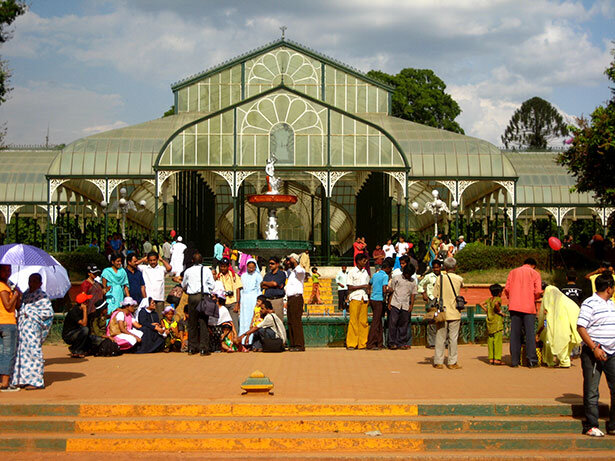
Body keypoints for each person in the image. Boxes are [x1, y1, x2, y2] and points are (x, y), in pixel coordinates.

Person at [577, 274, 615, 437]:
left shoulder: (611, 304)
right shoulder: (589, 303)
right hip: (594, 352)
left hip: (612, 352)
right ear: (609, 288)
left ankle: (613, 425)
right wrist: (594, 348)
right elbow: (581, 327)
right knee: (592, 390)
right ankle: (591, 425)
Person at [11, 274, 54, 390]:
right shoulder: (25, 294)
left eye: (35, 281)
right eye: (30, 281)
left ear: (40, 283)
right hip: (22, 328)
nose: (32, 283)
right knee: (20, 354)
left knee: (34, 352)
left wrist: (29, 311)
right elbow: (20, 307)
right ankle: (21, 379)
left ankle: (35, 381)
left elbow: (48, 313)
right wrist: (18, 296)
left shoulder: (42, 296)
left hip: (33, 328)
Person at [504, 258, 543, 368]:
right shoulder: (535, 273)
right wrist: (535, 297)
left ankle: (515, 361)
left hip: (514, 306)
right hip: (529, 307)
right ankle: (531, 360)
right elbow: (538, 291)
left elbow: (507, 289)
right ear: (533, 265)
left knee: (514, 334)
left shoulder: (513, 272)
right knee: (529, 334)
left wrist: (512, 298)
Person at [538, 285, 581, 368]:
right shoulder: (567, 302)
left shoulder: (550, 305)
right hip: (567, 329)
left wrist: (540, 330)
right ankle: (563, 359)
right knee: (564, 343)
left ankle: (552, 360)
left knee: (549, 340)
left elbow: (544, 320)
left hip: (556, 329)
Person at [181, 251, 215, 356]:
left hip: (192, 297)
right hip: (203, 296)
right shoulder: (206, 270)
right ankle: (204, 349)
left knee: (192, 323)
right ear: (202, 261)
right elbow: (212, 285)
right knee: (203, 322)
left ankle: (192, 348)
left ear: (192, 261)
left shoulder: (188, 271)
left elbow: (184, 285)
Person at [433, 257, 464, 369]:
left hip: (442, 311)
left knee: (440, 337)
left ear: (444, 267)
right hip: (455, 311)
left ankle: (438, 361)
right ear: (455, 267)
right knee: (453, 338)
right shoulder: (459, 279)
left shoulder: (439, 278)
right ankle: (452, 362)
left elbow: (435, 294)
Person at [0, 264, 21, 392]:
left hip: (5, 323)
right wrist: (14, 295)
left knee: (2, 352)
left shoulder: (7, 285)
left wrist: (16, 294)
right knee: (8, 353)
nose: (8, 273)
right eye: (5, 270)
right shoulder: (2, 287)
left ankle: (2, 381)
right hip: (7, 323)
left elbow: (16, 305)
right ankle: (5, 383)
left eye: (9, 270)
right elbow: (8, 306)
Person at [387, 263, 417, 350]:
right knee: (393, 324)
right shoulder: (396, 278)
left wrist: (411, 305)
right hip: (395, 303)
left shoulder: (413, 282)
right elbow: (392, 290)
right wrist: (389, 303)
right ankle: (392, 343)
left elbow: (413, 294)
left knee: (403, 325)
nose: (407, 275)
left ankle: (401, 342)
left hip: (405, 305)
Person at [367, 258, 393, 350]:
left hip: (373, 299)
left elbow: (369, 284)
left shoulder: (375, 275)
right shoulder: (385, 276)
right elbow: (384, 289)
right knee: (376, 322)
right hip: (379, 300)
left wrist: (369, 294)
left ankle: (379, 343)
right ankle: (371, 343)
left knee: (378, 321)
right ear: (387, 268)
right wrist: (391, 290)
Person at [346, 253, 371, 350]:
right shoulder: (352, 272)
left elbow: (368, 285)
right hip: (355, 298)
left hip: (364, 298)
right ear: (358, 261)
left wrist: (368, 292)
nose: (365, 262)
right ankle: (352, 343)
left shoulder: (365, 272)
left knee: (363, 322)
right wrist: (363, 286)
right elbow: (349, 287)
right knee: (353, 321)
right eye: (363, 260)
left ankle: (362, 343)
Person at [138, 251, 172, 318]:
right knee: (149, 318)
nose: (152, 262)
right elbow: (134, 264)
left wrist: (162, 260)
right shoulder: (144, 268)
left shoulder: (161, 268)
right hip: (149, 298)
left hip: (159, 298)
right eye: (150, 260)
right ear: (148, 260)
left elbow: (169, 268)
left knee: (160, 317)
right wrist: (142, 259)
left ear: (157, 259)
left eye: (154, 260)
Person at [418, 260, 442, 348]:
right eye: (434, 267)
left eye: (437, 267)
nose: (436, 269)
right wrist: (423, 293)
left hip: (441, 299)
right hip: (432, 299)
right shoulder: (429, 277)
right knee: (431, 321)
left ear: (440, 267)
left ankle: (444, 342)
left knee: (442, 320)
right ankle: (432, 343)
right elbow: (420, 285)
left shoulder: (444, 277)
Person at [285, 253, 306, 351]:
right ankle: (293, 344)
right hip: (290, 298)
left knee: (296, 322)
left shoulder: (299, 271)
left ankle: (299, 345)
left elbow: (301, 272)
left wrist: (295, 262)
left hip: (296, 298)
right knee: (290, 322)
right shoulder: (292, 273)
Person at [62, 292, 93, 358]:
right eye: (87, 301)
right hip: (68, 335)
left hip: (77, 332)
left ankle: (75, 348)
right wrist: (85, 310)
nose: (89, 302)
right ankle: (76, 350)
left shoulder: (82, 311)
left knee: (94, 339)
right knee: (85, 330)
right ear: (84, 303)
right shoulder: (74, 311)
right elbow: (84, 324)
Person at [481, 283, 505, 365]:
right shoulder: (498, 299)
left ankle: (491, 358)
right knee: (497, 341)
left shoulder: (489, 299)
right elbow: (496, 304)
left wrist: (487, 310)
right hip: (497, 322)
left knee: (490, 341)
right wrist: (500, 312)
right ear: (499, 293)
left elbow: (480, 303)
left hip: (489, 322)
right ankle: (497, 359)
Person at [217, 258, 242, 331]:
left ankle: (235, 340)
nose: (223, 268)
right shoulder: (219, 277)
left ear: (228, 267)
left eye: (224, 266)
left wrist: (237, 303)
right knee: (224, 324)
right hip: (223, 303)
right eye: (221, 266)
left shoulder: (234, 276)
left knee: (234, 323)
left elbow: (238, 289)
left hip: (232, 303)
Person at [239, 259, 262, 338]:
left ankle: (252, 339)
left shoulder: (258, 276)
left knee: (252, 318)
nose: (251, 269)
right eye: (249, 267)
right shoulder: (243, 276)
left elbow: (259, 289)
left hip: (253, 297)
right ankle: (243, 339)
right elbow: (241, 288)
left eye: (252, 268)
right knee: (244, 318)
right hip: (245, 298)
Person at [261, 256, 286, 321]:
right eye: (269, 263)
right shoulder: (267, 275)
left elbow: (275, 284)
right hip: (268, 300)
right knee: (267, 320)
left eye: (272, 263)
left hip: (277, 300)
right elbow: (262, 285)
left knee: (278, 320)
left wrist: (267, 283)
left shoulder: (281, 274)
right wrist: (272, 284)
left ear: (277, 264)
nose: (270, 265)